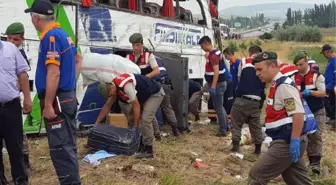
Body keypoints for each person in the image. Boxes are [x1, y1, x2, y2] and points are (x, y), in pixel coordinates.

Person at [24, 0, 82, 184]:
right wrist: (70, 83)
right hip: (67, 97)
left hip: (57, 101)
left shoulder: (50, 37)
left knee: (61, 149)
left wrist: (48, 103)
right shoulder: (64, 34)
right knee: (69, 146)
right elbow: (78, 60)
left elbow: (54, 72)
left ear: (35, 18)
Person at [248, 51, 314, 185]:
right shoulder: (275, 85)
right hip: (286, 140)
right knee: (296, 179)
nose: (257, 73)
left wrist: (294, 140)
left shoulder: (283, 86)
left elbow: (298, 114)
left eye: (260, 69)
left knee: (256, 175)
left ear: (272, 66)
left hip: (287, 143)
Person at [97, 73, 164, 159]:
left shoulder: (125, 85)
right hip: (144, 95)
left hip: (155, 94)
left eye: (111, 94)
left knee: (145, 119)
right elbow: (107, 106)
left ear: (111, 87)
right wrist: (96, 123)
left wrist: (136, 126)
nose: (112, 96)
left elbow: (136, 105)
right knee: (133, 120)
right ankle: (140, 145)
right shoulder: (113, 87)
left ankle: (148, 150)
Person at [127, 33, 180, 136]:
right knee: (148, 113)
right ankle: (156, 133)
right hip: (138, 89)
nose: (135, 48)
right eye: (133, 45)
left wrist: (144, 78)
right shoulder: (129, 57)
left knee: (160, 109)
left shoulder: (149, 56)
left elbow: (156, 71)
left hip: (152, 87)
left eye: (137, 45)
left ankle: (174, 128)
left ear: (142, 44)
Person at [0, 38, 31, 185]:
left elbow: (22, 74)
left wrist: (27, 98)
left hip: (11, 107)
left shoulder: (11, 49)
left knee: (16, 146)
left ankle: (21, 181)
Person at [293, 52, 326, 175]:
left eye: (301, 64)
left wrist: (311, 93)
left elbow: (323, 93)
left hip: (316, 110)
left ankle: (315, 162)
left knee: (315, 135)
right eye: (296, 65)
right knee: (301, 136)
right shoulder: (293, 77)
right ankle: (299, 161)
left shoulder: (317, 76)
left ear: (306, 62)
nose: (298, 67)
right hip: (300, 111)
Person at [230, 45, 265, 154]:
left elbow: (239, 79)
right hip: (257, 100)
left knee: (236, 123)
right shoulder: (265, 63)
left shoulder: (244, 61)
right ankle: (258, 150)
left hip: (242, 99)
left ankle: (235, 147)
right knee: (255, 126)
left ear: (250, 52)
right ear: (260, 53)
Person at [198, 36, 231, 136]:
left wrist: (213, 86)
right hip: (219, 83)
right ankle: (226, 126)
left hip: (217, 84)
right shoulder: (215, 52)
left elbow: (216, 72)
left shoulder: (213, 56)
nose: (202, 48)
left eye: (202, 46)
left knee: (218, 108)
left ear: (207, 44)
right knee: (220, 106)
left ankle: (222, 130)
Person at [321, 44, 336, 125]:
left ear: (327, 52)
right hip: (329, 85)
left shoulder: (334, 60)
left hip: (332, 86)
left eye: (323, 54)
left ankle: (333, 117)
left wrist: (330, 86)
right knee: (331, 102)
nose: (324, 56)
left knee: (324, 99)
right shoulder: (331, 60)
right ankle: (332, 117)